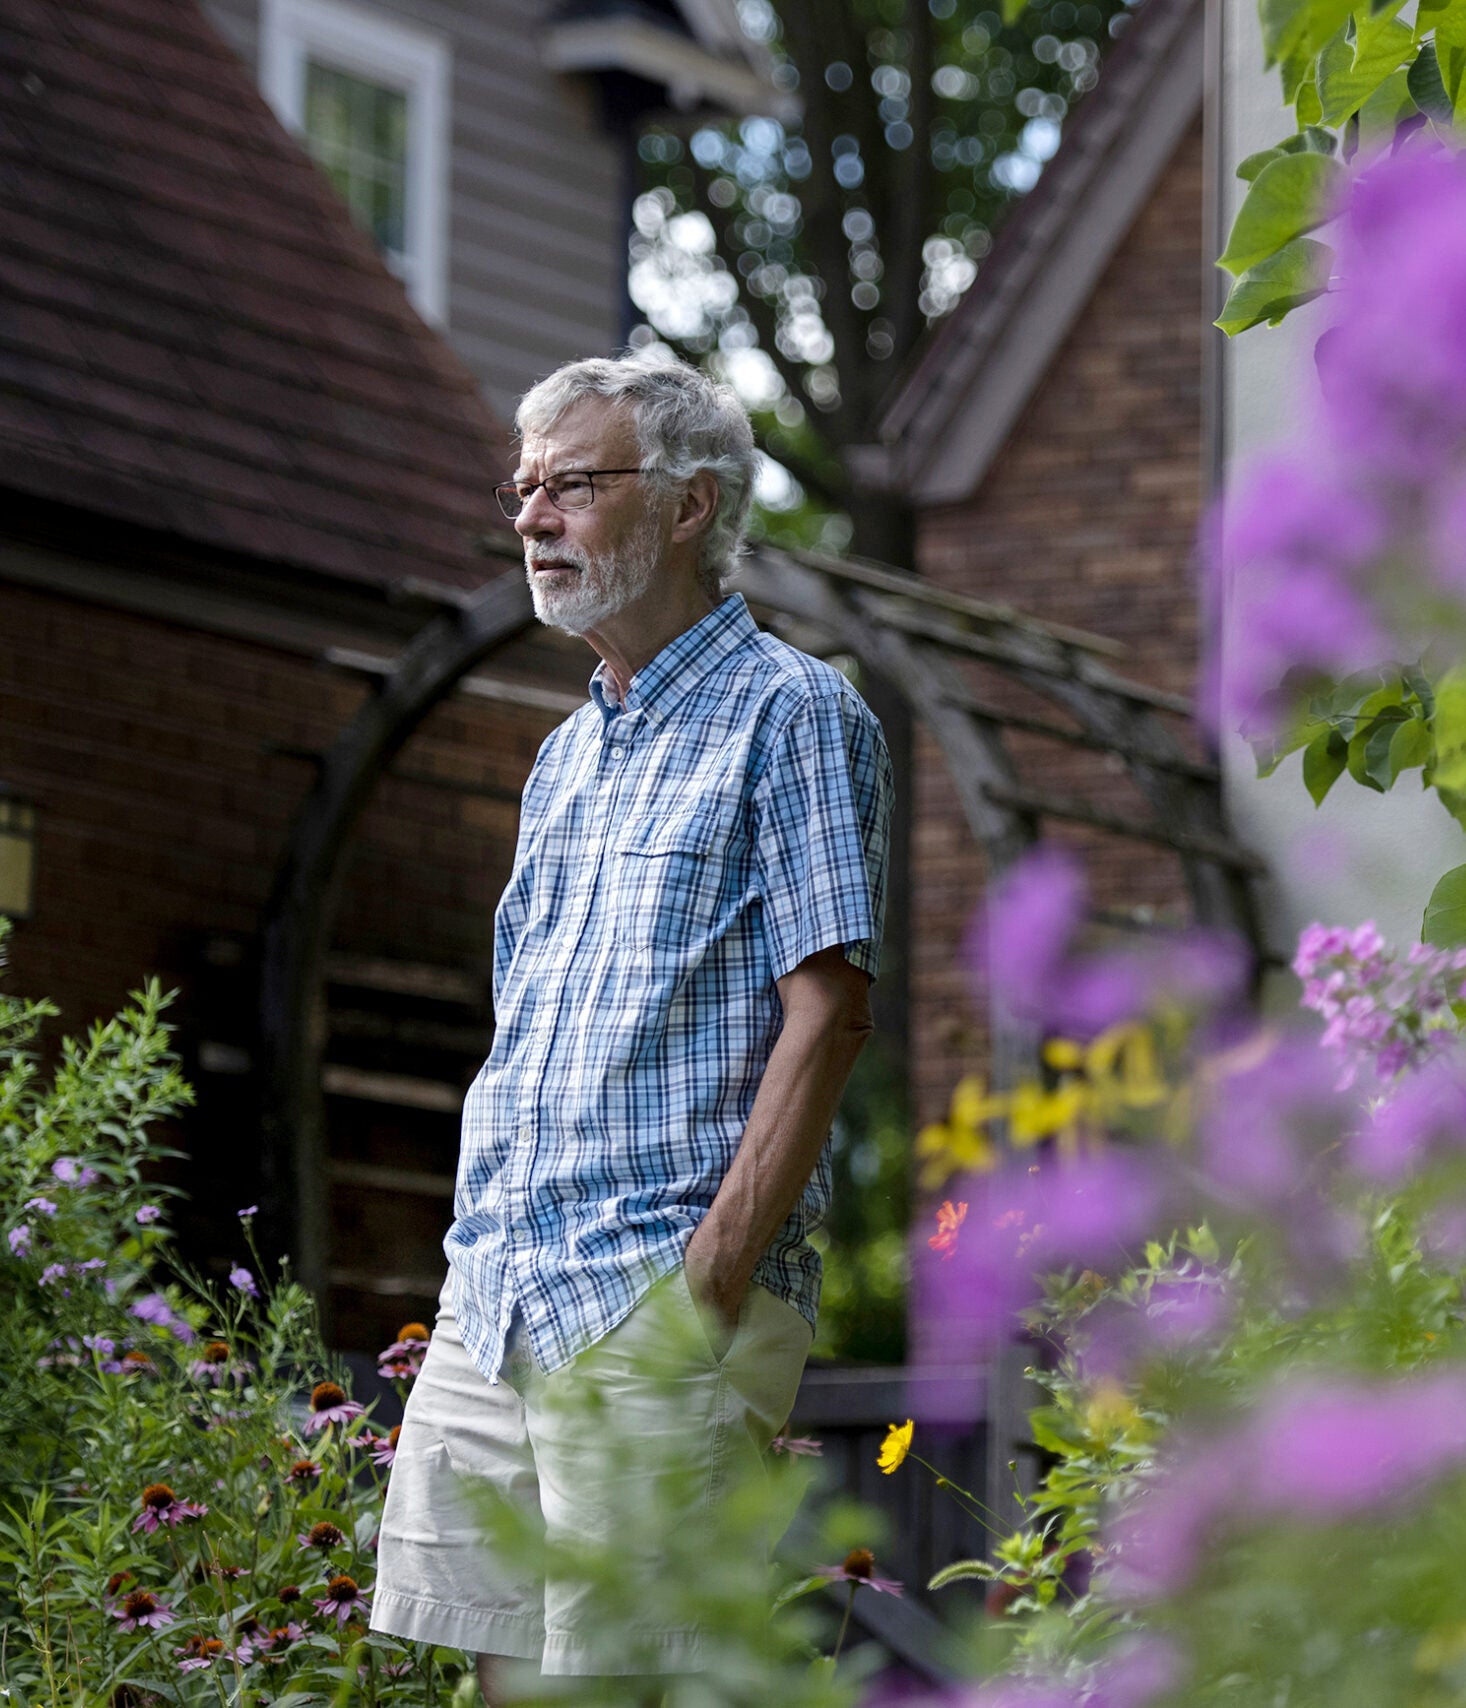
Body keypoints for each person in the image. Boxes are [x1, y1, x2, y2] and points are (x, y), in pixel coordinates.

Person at [368, 353, 891, 1694]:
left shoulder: (796, 713)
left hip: (657, 1294)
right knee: (509, 1686)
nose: (535, 519)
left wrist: (705, 1288)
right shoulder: (566, 753)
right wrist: (473, 1260)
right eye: (523, 490)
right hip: (500, 1298)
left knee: (630, 1688)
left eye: (575, 486)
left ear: (687, 507)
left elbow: (828, 1014)